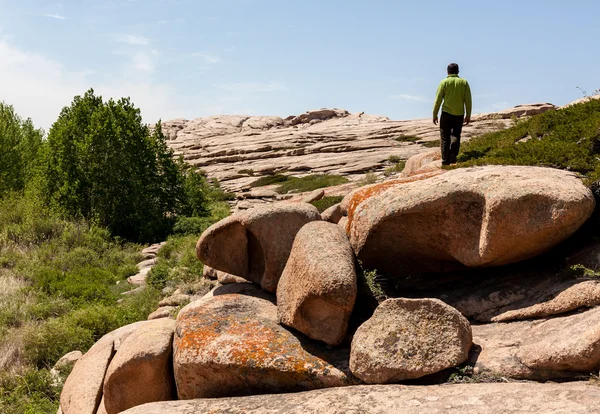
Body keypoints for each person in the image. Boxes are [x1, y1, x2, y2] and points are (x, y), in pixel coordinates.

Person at [433, 63, 472, 165]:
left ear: (447, 72)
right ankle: (453, 154)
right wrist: (468, 114)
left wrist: (434, 114)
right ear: (458, 71)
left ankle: (445, 160)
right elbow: (468, 100)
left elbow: (438, 100)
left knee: (445, 137)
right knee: (456, 134)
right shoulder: (464, 82)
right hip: (459, 114)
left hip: (446, 113)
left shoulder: (444, 82)